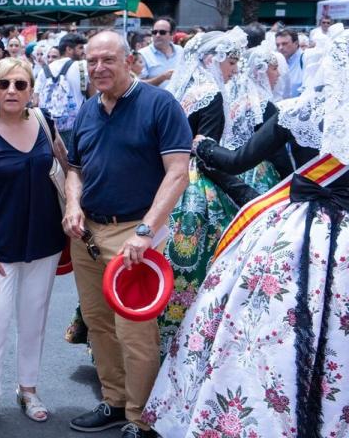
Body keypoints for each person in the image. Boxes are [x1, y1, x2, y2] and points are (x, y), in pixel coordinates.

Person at [146, 31, 349, 438]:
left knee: (257, 324)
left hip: (297, 234)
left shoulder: (304, 109)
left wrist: (202, 147)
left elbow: (236, 160)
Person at [63, 31, 191, 438]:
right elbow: (75, 169)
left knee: (134, 333)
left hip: (133, 232)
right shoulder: (87, 110)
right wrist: (71, 204)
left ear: (129, 60)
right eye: (91, 62)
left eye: (107, 60)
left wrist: (145, 231)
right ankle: (115, 401)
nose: (99, 68)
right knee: (98, 324)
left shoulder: (159, 104)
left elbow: (177, 173)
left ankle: (142, 418)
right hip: (87, 232)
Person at [0, 57, 68, 432]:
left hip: (44, 241)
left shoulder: (44, 124)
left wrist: (73, 208)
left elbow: (67, 171)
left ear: (31, 90)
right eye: (4, 84)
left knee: (33, 320)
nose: (12, 91)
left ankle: (28, 389)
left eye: (20, 84)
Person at [159, 30, 253, 358]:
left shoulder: (181, 89)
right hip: (195, 188)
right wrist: (246, 195)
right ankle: (187, 344)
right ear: (212, 59)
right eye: (231, 61)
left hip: (166, 180)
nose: (234, 69)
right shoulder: (212, 93)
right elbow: (206, 154)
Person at [222, 42, 293, 190]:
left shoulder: (231, 100)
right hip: (258, 175)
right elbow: (277, 153)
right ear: (259, 72)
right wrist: (290, 178)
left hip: (228, 170)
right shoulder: (262, 106)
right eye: (274, 69)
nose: (278, 74)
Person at [34, 33, 90, 149]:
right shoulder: (82, 66)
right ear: (68, 49)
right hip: (75, 128)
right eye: (80, 48)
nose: (83, 51)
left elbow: (35, 101)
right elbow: (93, 96)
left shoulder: (44, 70)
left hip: (49, 128)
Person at [139, 17, 183, 88]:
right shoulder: (142, 54)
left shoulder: (180, 51)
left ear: (172, 34)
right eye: (154, 32)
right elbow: (139, 84)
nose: (157, 35)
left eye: (162, 32)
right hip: (154, 98)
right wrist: (162, 77)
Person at [275, 29, 305, 99]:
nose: (280, 48)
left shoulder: (305, 59)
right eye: (278, 45)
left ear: (296, 43)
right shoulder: (276, 61)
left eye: (284, 44)